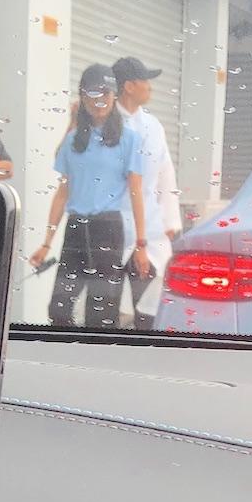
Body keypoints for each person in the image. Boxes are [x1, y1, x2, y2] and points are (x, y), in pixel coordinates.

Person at [29, 65, 150, 331]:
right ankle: (67, 351)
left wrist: (142, 244)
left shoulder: (129, 139)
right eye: (92, 94)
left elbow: (136, 192)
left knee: (101, 313)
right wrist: (47, 243)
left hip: (108, 229)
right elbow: (62, 192)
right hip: (75, 228)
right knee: (59, 308)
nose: (99, 100)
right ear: (82, 97)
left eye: (105, 93)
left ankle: (99, 353)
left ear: (115, 95)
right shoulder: (73, 140)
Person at [112, 56, 181, 330]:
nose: (150, 87)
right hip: (112, 231)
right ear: (129, 86)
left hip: (150, 232)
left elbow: (166, 173)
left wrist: (171, 221)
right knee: (106, 310)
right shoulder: (104, 123)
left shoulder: (153, 126)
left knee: (149, 312)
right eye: (145, 81)